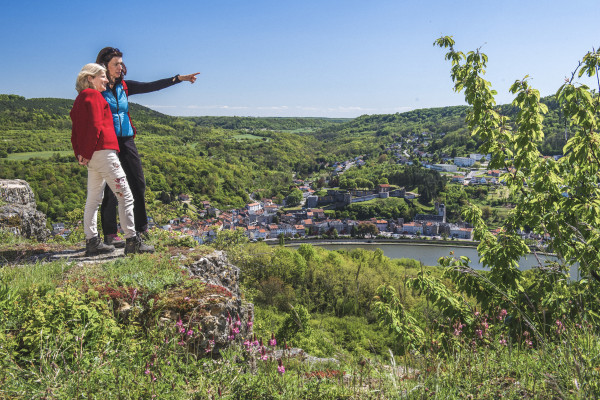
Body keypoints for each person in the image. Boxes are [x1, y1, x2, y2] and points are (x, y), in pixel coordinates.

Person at [95, 47, 200, 248]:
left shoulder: (124, 87)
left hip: (126, 141)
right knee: (111, 188)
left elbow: (152, 86)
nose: (120, 67)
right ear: (104, 66)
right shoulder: (98, 88)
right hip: (107, 142)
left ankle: (141, 229)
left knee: (138, 183)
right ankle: (110, 233)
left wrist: (179, 78)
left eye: (121, 63)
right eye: (116, 63)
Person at [70, 63, 153, 256]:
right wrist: (89, 152)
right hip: (104, 153)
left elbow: (76, 131)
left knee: (93, 200)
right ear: (90, 78)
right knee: (126, 196)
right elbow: (95, 127)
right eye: (102, 77)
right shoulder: (94, 96)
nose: (106, 80)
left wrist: (81, 154)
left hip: (93, 158)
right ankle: (132, 242)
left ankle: (92, 241)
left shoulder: (79, 99)